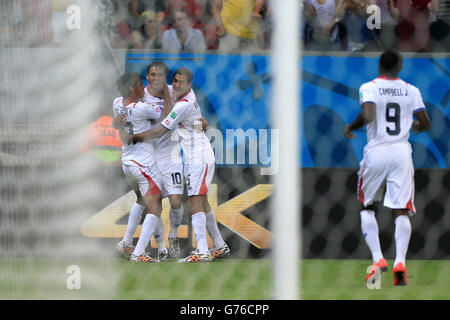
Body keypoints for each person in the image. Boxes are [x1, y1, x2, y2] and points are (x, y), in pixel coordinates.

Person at [344, 50, 431, 286]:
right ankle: (399, 262)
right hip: (402, 152)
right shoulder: (411, 90)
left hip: (377, 151)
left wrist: (351, 126)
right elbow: (426, 123)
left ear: (380, 65)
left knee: (368, 206)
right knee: (401, 210)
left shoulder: (369, 86)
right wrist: (413, 125)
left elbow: (369, 115)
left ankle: (378, 258)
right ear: (400, 67)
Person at [125, 68, 230, 263]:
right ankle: (219, 244)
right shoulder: (180, 95)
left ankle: (202, 251)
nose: (177, 85)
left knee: (194, 201)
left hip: (198, 157)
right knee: (202, 201)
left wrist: (136, 136)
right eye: (176, 81)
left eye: (182, 82)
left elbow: (160, 131)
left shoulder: (183, 105)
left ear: (190, 85)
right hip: (195, 156)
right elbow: (193, 117)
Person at [113, 72, 170, 263]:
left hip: (127, 164)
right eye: (139, 85)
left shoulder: (117, 103)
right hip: (143, 165)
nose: (142, 88)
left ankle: (126, 243)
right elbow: (166, 114)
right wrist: (167, 94)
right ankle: (138, 253)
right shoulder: (141, 109)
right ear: (131, 88)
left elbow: (117, 122)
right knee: (155, 206)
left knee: (140, 200)